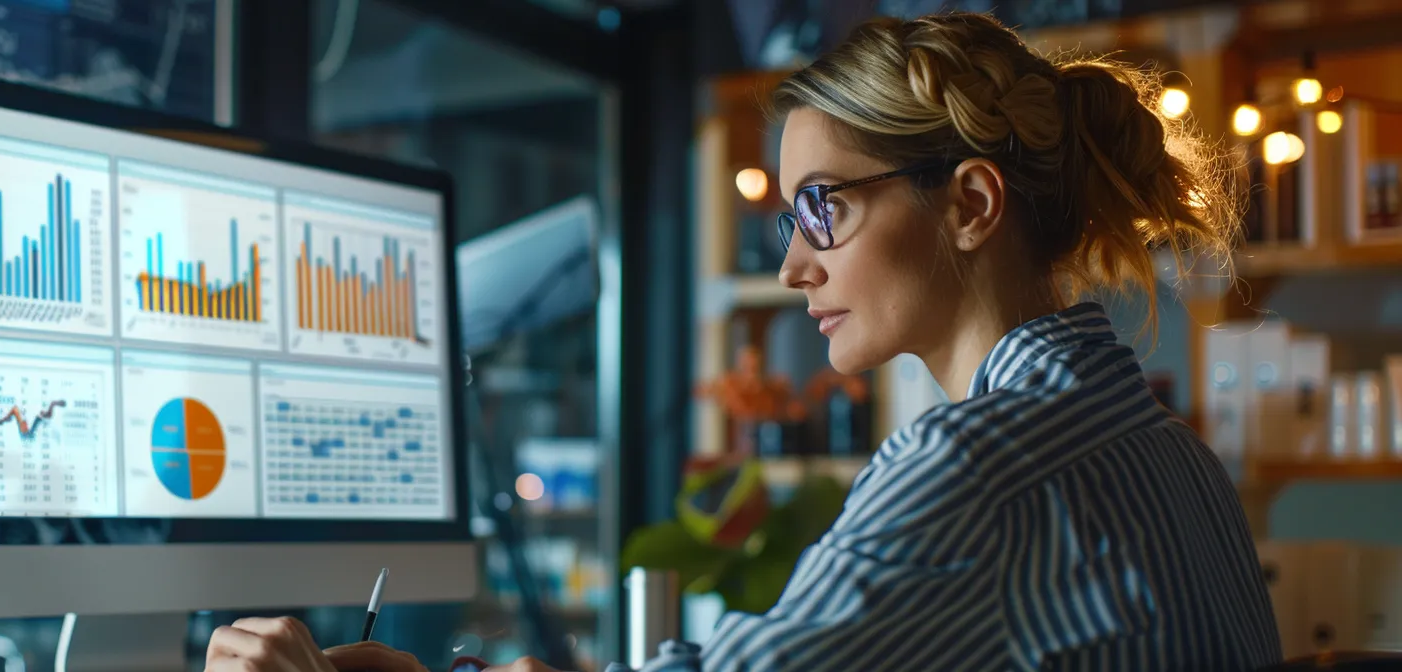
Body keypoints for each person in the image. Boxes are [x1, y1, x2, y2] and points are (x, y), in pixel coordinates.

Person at [203, 10, 1281, 672]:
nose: (793, 266)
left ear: (968, 203)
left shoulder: (977, 466)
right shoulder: (1170, 455)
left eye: (825, 208)